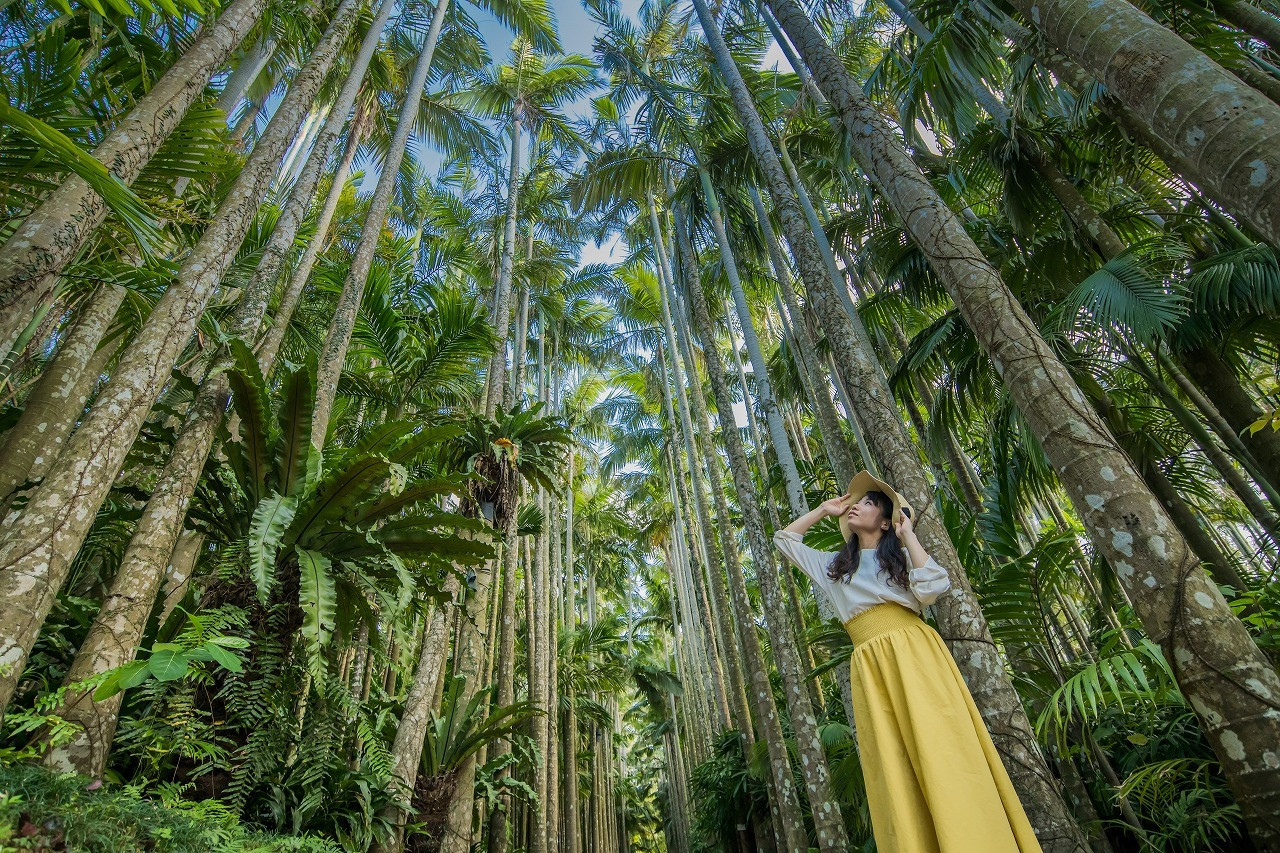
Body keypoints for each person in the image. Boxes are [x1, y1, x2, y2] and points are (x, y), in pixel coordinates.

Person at [775, 471, 1042, 853]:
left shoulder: (900, 558)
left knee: (942, 745)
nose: (857, 506)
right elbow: (785, 540)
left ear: (885, 520)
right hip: (869, 664)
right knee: (893, 761)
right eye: (857, 501)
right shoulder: (835, 566)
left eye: (868, 502)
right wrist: (822, 509)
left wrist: (907, 533)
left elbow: (934, 587)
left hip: (915, 655)